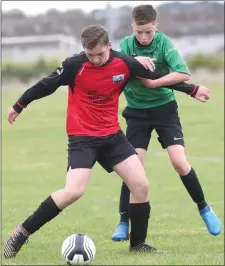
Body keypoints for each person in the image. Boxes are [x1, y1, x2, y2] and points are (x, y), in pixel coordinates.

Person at [4, 24, 210, 259]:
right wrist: (20, 104)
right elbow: (46, 84)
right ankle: (21, 232)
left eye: (100, 54)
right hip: (82, 137)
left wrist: (192, 90)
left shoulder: (124, 63)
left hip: (112, 136)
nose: (96, 60)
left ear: (109, 46)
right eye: (90, 55)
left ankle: (138, 244)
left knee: (140, 185)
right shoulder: (74, 65)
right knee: (73, 191)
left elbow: (157, 77)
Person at [111, 4, 222, 242]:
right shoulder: (125, 46)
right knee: (133, 167)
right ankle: (123, 221)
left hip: (165, 111)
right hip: (137, 114)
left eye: (148, 32)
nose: (143, 37)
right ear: (132, 27)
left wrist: (155, 83)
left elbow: (183, 73)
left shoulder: (164, 43)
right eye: (139, 31)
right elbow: (118, 67)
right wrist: (134, 61)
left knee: (179, 162)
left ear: (156, 27)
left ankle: (204, 208)